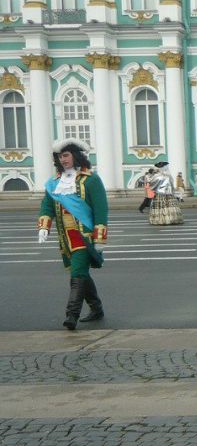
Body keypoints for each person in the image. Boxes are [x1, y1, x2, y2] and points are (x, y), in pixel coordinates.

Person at [37, 139, 109, 330]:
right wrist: (44, 226)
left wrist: (100, 237)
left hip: (83, 236)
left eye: (66, 155)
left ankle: (72, 315)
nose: (63, 159)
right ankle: (96, 308)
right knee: (81, 273)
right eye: (60, 156)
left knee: (77, 274)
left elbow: (101, 209)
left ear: (76, 156)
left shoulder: (91, 179)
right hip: (65, 237)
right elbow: (47, 205)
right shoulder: (55, 183)